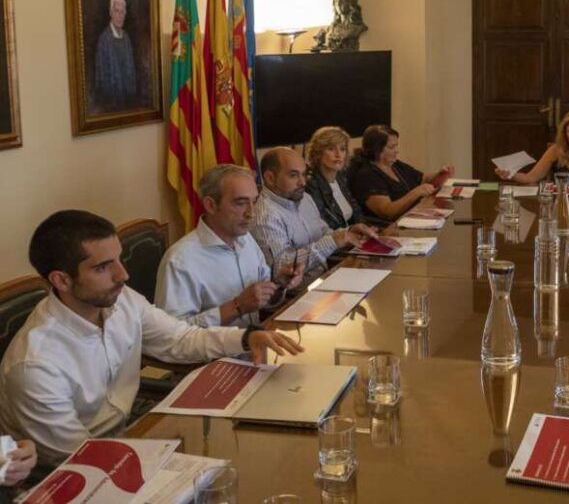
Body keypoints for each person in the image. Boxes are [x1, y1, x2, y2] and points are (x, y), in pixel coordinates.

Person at [0, 210, 303, 465]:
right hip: (75, 476)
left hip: (132, 437)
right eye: (104, 267)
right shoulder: (35, 365)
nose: (123, 275)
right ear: (61, 280)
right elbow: (85, 459)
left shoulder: (120, 299)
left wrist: (247, 338)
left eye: (118, 259)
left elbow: (180, 339)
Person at [155, 165, 304, 328]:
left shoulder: (245, 239)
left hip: (253, 342)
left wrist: (279, 284)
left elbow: (260, 299)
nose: (251, 213)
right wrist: (236, 307)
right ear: (211, 205)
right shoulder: (180, 261)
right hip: (218, 353)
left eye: (254, 201)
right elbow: (172, 336)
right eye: (240, 203)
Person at [251, 147, 377, 286]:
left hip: (327, 278)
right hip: (298, 295)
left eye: (303, 174)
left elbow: (322, 232)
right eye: (293, 175)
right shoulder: (265, 216)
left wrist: (348, 234)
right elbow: (281, 268)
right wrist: (333, 241)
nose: (303, 182)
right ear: (270, 178)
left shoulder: (304, 197)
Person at [348, 125, 453, 221]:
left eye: (396, 146)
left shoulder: (395, 164)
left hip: (414, 218)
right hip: (392, 229)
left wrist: (439, 174)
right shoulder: (367, 175)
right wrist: (415, 193)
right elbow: (387, 212)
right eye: (391, 147)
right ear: (376, 149)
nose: (397, 151)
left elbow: (423, 179)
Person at [305, 126, 363, 229]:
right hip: (335, 242)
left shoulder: (341, 177)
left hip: (354, 237)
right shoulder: (311, 184)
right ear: (318, 152)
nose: (338, 154)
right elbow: (324, 226)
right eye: (331, 148)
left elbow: (356, 211)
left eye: (342, 149)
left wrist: (366, 230)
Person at [93, 0, 137, 110]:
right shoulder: (104, 40)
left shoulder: (126, 38)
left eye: (122, 12)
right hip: (111, 104)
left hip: (128, 102)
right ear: (111, 13)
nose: (120, 16)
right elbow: (101, 78)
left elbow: (131, 72)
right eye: (117, 11)